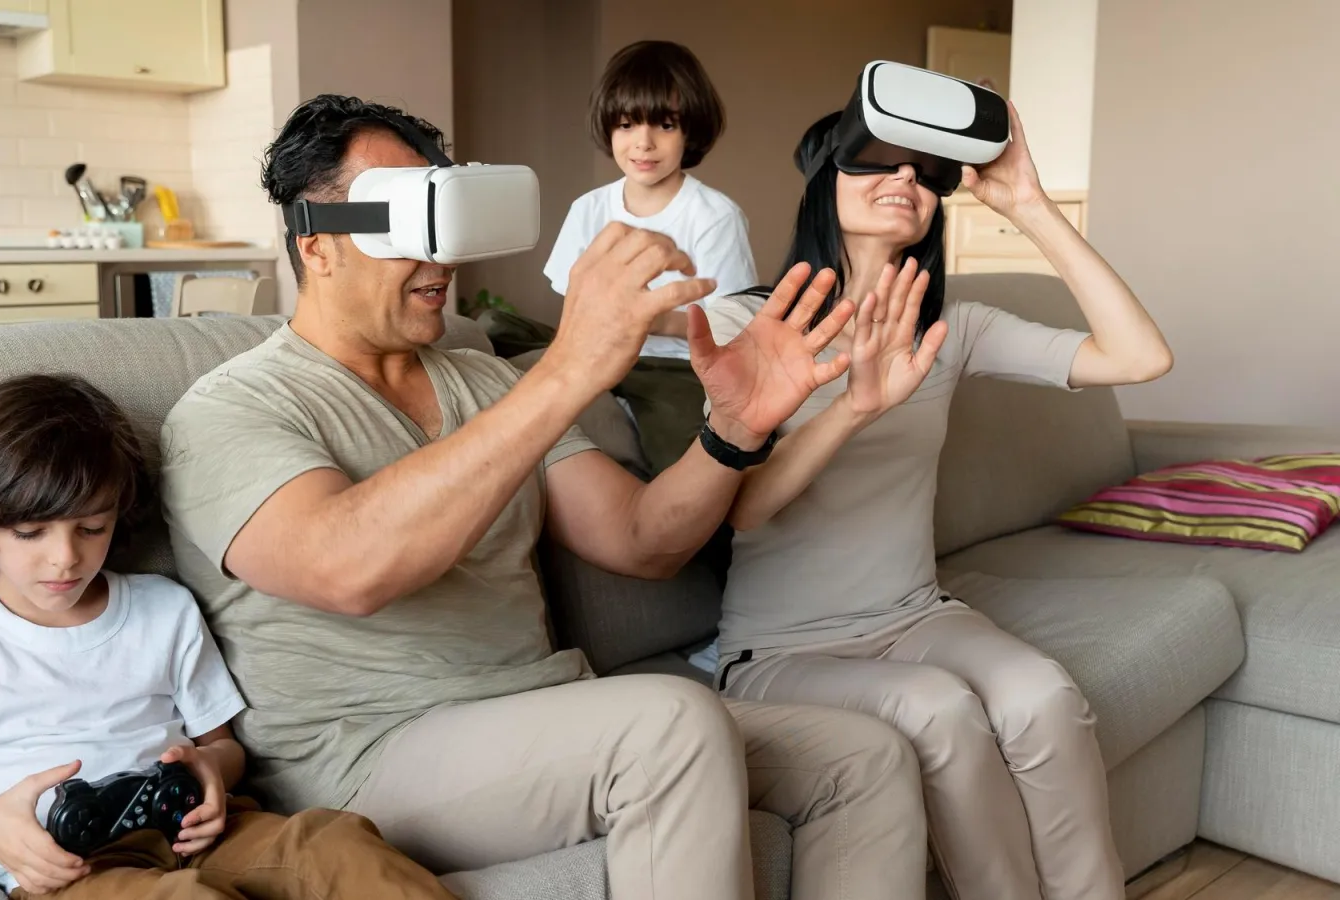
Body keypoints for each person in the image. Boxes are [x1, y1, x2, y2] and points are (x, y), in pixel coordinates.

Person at [160, 94, 928, 900]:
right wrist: (568, 366)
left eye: (444, 218)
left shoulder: (486, 379)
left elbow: (644, 543)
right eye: (407, 226)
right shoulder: (231, 409)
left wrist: (732, 434)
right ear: (317, 247)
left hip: (542, 715)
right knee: (669, 721)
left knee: (864, 758)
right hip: (365, 757)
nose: (440, 258)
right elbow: (350, 567)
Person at [701, 100, 1173, 900]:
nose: (904, 177)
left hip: (918, 615)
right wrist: (855, 406)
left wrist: (1029, 205)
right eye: (877, 160)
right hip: (781, 647)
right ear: (826, 180)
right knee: (942, 709)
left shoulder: (952, 328)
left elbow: (1140, 356)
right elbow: (744, 508)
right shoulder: (750, 321)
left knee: (1043, 695)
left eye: (925, 171)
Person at [0, 374, 455, 900]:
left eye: (91, 528)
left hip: (196, 826)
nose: (65, 559)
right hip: (74, 870)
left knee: (335, 843)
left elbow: (224, 748)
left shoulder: (164, 610)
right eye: (32, 534)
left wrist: (212, 771)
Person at [543, 39, 757, 360]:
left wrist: (656, 320)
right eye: (627, 125)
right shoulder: (587, 209)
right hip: (600, 362)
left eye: (665, 125)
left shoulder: (716, 216)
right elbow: (573, 310)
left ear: (689, 130)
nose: (644, 143)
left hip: (682, 372)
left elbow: (735, 325)